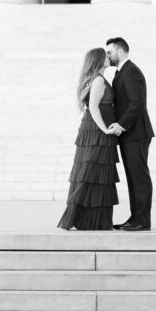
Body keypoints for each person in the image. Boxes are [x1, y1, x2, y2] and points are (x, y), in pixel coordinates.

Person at [57, 47, 119, 230]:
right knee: (89, 173)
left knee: (96, 175)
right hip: (97, 132)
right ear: (98, 60)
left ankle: (92, 221)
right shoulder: (98, 80)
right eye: (105, 55)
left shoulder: (97, 79)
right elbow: (93, 107)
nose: (108, 57)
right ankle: (79, 218)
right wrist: (105, 130)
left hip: (93, 131)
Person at [105, 37, 154, 231]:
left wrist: (121, 125)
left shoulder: (131, 71)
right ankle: (135, 218)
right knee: (133, 178)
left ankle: (142, 221)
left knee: (139, 178)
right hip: (129, 135)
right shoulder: (121, 72)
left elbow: (137, 104)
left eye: (109, 52)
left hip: (136, 133)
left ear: (120, 52)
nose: (107, 56)